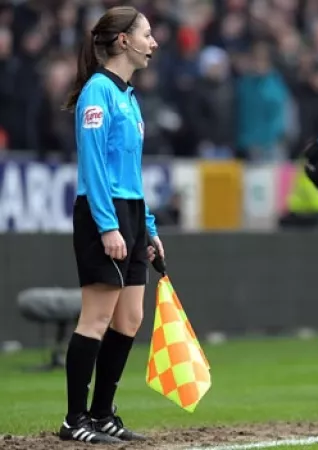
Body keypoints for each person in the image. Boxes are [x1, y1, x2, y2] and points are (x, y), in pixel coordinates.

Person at [59, 6, 162, 444]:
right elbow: (94, 165)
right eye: (147, 34)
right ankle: (74, 420)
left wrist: (148, 226)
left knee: (131, 318)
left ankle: (102, 414)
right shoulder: (97, 92)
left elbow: (131, 172)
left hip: (131, 214)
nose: (153, 43)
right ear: (124, 41)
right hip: (104, 214)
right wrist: (107, 226)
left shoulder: (129, 97)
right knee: (96, 317)